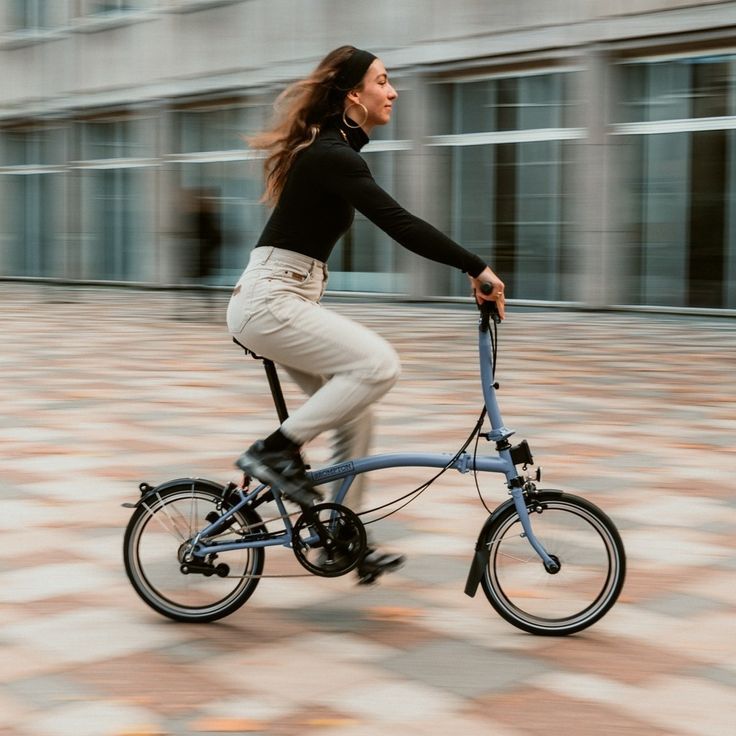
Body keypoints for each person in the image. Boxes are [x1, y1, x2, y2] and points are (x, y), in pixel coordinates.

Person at [226, 45, 505, 582]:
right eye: (382, 80)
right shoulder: (332, 155)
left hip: (282, 300)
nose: (393, 90)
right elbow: (399, 223)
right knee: (377, 365)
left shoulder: (337, 153)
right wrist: (476, 267)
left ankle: (337, 538)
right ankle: (273, 452)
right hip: (269, 301)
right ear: (354, 93)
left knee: (359, 414)